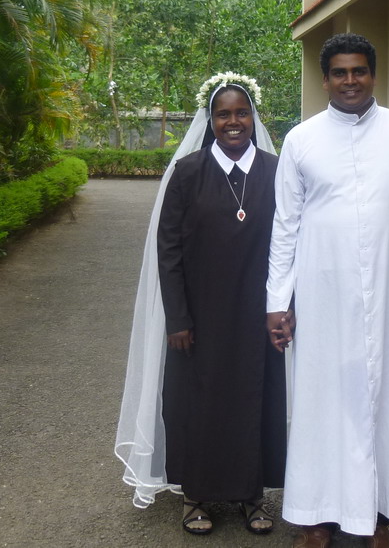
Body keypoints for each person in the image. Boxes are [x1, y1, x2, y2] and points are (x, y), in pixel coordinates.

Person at [266, 34, 389, 548]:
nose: (351, 81)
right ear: (325, 80)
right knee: (321, 400)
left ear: (373, 74)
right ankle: (317, 518)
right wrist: (277, 301)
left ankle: (381, 518)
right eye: (340, 73)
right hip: (323, 293)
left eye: (359, 71)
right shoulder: (301, 140)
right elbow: (285, 226)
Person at [115, 73, 288, 535]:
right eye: (223, 114)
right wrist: (177, 317)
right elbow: (168, 249)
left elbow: (291, 242)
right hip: (198, 316)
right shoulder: (188, 172)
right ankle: (195, 495)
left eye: (242, 113)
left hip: (257, 313)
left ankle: (252, 495)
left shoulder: (276, 170)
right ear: (209, 120)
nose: (233, 122)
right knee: (198, 403)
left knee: (253, 400)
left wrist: (285, 306)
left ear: (253, 117)